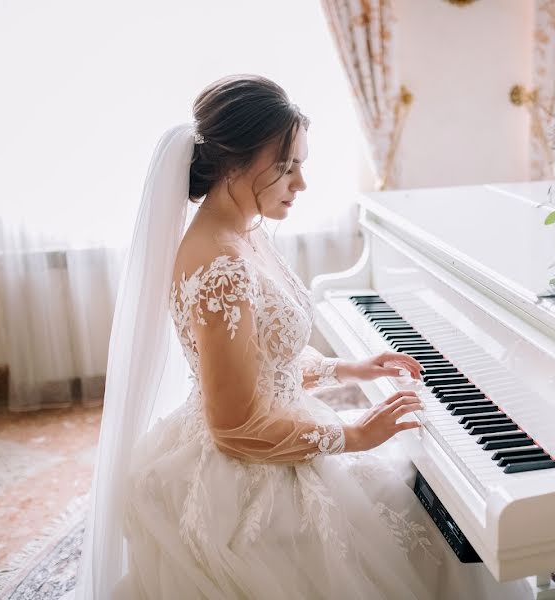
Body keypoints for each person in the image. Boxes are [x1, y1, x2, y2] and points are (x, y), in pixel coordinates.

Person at [74, 74, 531, 600]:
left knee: (428, 503)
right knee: (437, 527)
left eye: (300, 165)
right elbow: (233, 427)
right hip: (248, 471)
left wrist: (347, 369)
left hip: (273, 431)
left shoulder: (241, 232)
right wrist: (354, 436)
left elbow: (263, 358)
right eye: (286, 167)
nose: (300, 184)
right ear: (234, 164)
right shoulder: (220, 262)